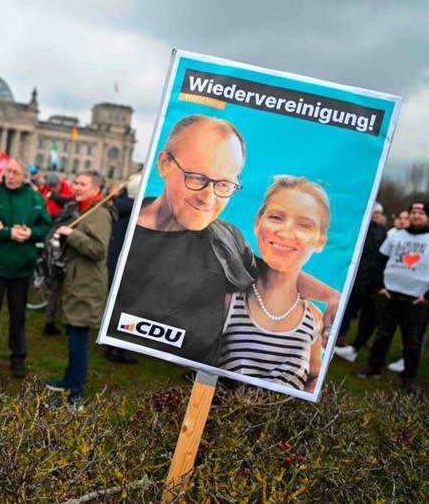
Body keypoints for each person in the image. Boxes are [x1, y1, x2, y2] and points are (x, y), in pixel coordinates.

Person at [106, 114, 339, 366]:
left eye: (225, 184)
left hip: (199, 375)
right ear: (164, 164)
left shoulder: (226, 236)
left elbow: (265, 274)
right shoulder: (120, 228)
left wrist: (330, 296)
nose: (208, 198)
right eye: (196, 178)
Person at [218, 177, 330, 392]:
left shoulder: (315, 318)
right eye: (276, 217)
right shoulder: (227, 300)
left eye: (304, 225)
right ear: (257, 223)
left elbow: (313, 375)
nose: (286, 233)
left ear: (320, 240)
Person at [0, 158, 52, 377]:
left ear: (25, 175)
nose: (10, 175)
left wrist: (30, 233)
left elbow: (46, 227)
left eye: (15, 172)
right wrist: (6, 232)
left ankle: (18, 357)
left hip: (21, 269)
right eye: (8, 171)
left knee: (18, 317)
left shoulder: (35, 199)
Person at [46, 170, 116, 404]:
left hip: (87, 286)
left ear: (96, 189)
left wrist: (72, 234)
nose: (76, 187)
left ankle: (75, 394)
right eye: (75, 182)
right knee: (72, 334)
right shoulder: (85, 209)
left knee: (78, 339)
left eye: (82, 184)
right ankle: (69, 380)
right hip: (76, 282)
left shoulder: (99, 214)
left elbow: (99, 251)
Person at [356, 201, 428, 393]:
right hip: (390, 295)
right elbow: (380, 260)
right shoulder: (396, 236)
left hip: (416, 300)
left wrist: (427, 296)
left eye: (421, 213)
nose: (416, 215)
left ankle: (409, 378)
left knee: (413, 341)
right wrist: (380, 286)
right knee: (382, 335)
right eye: (413, 212)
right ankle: (373, 368)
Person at [333, 202, 388, 359]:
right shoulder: (360, 229)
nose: (375, 216)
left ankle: (361, 339)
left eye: (378, 213)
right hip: (356, 279)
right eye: (373, 213)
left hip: (372, 282)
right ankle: (340, 336)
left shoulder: (382, 231)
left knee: (367, 316)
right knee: (347, 311)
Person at [104, 174, 141, 364]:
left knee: (115, 308)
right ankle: (119, 349)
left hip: (113, 262)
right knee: (126, 310)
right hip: (126, 265)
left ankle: (111, 345)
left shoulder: (118, 205)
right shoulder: (136, 212)